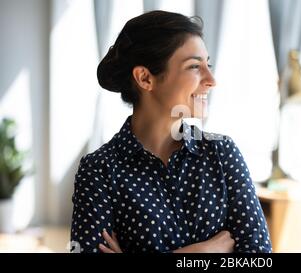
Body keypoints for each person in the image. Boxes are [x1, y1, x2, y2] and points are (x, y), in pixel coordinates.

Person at [70, 10, 271, 253]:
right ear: (145, 78)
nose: (211, 79)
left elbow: (258, 255)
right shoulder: (98, 170)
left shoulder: (222, 153)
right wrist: (200, 253)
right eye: (195, 66)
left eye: (208, 64)